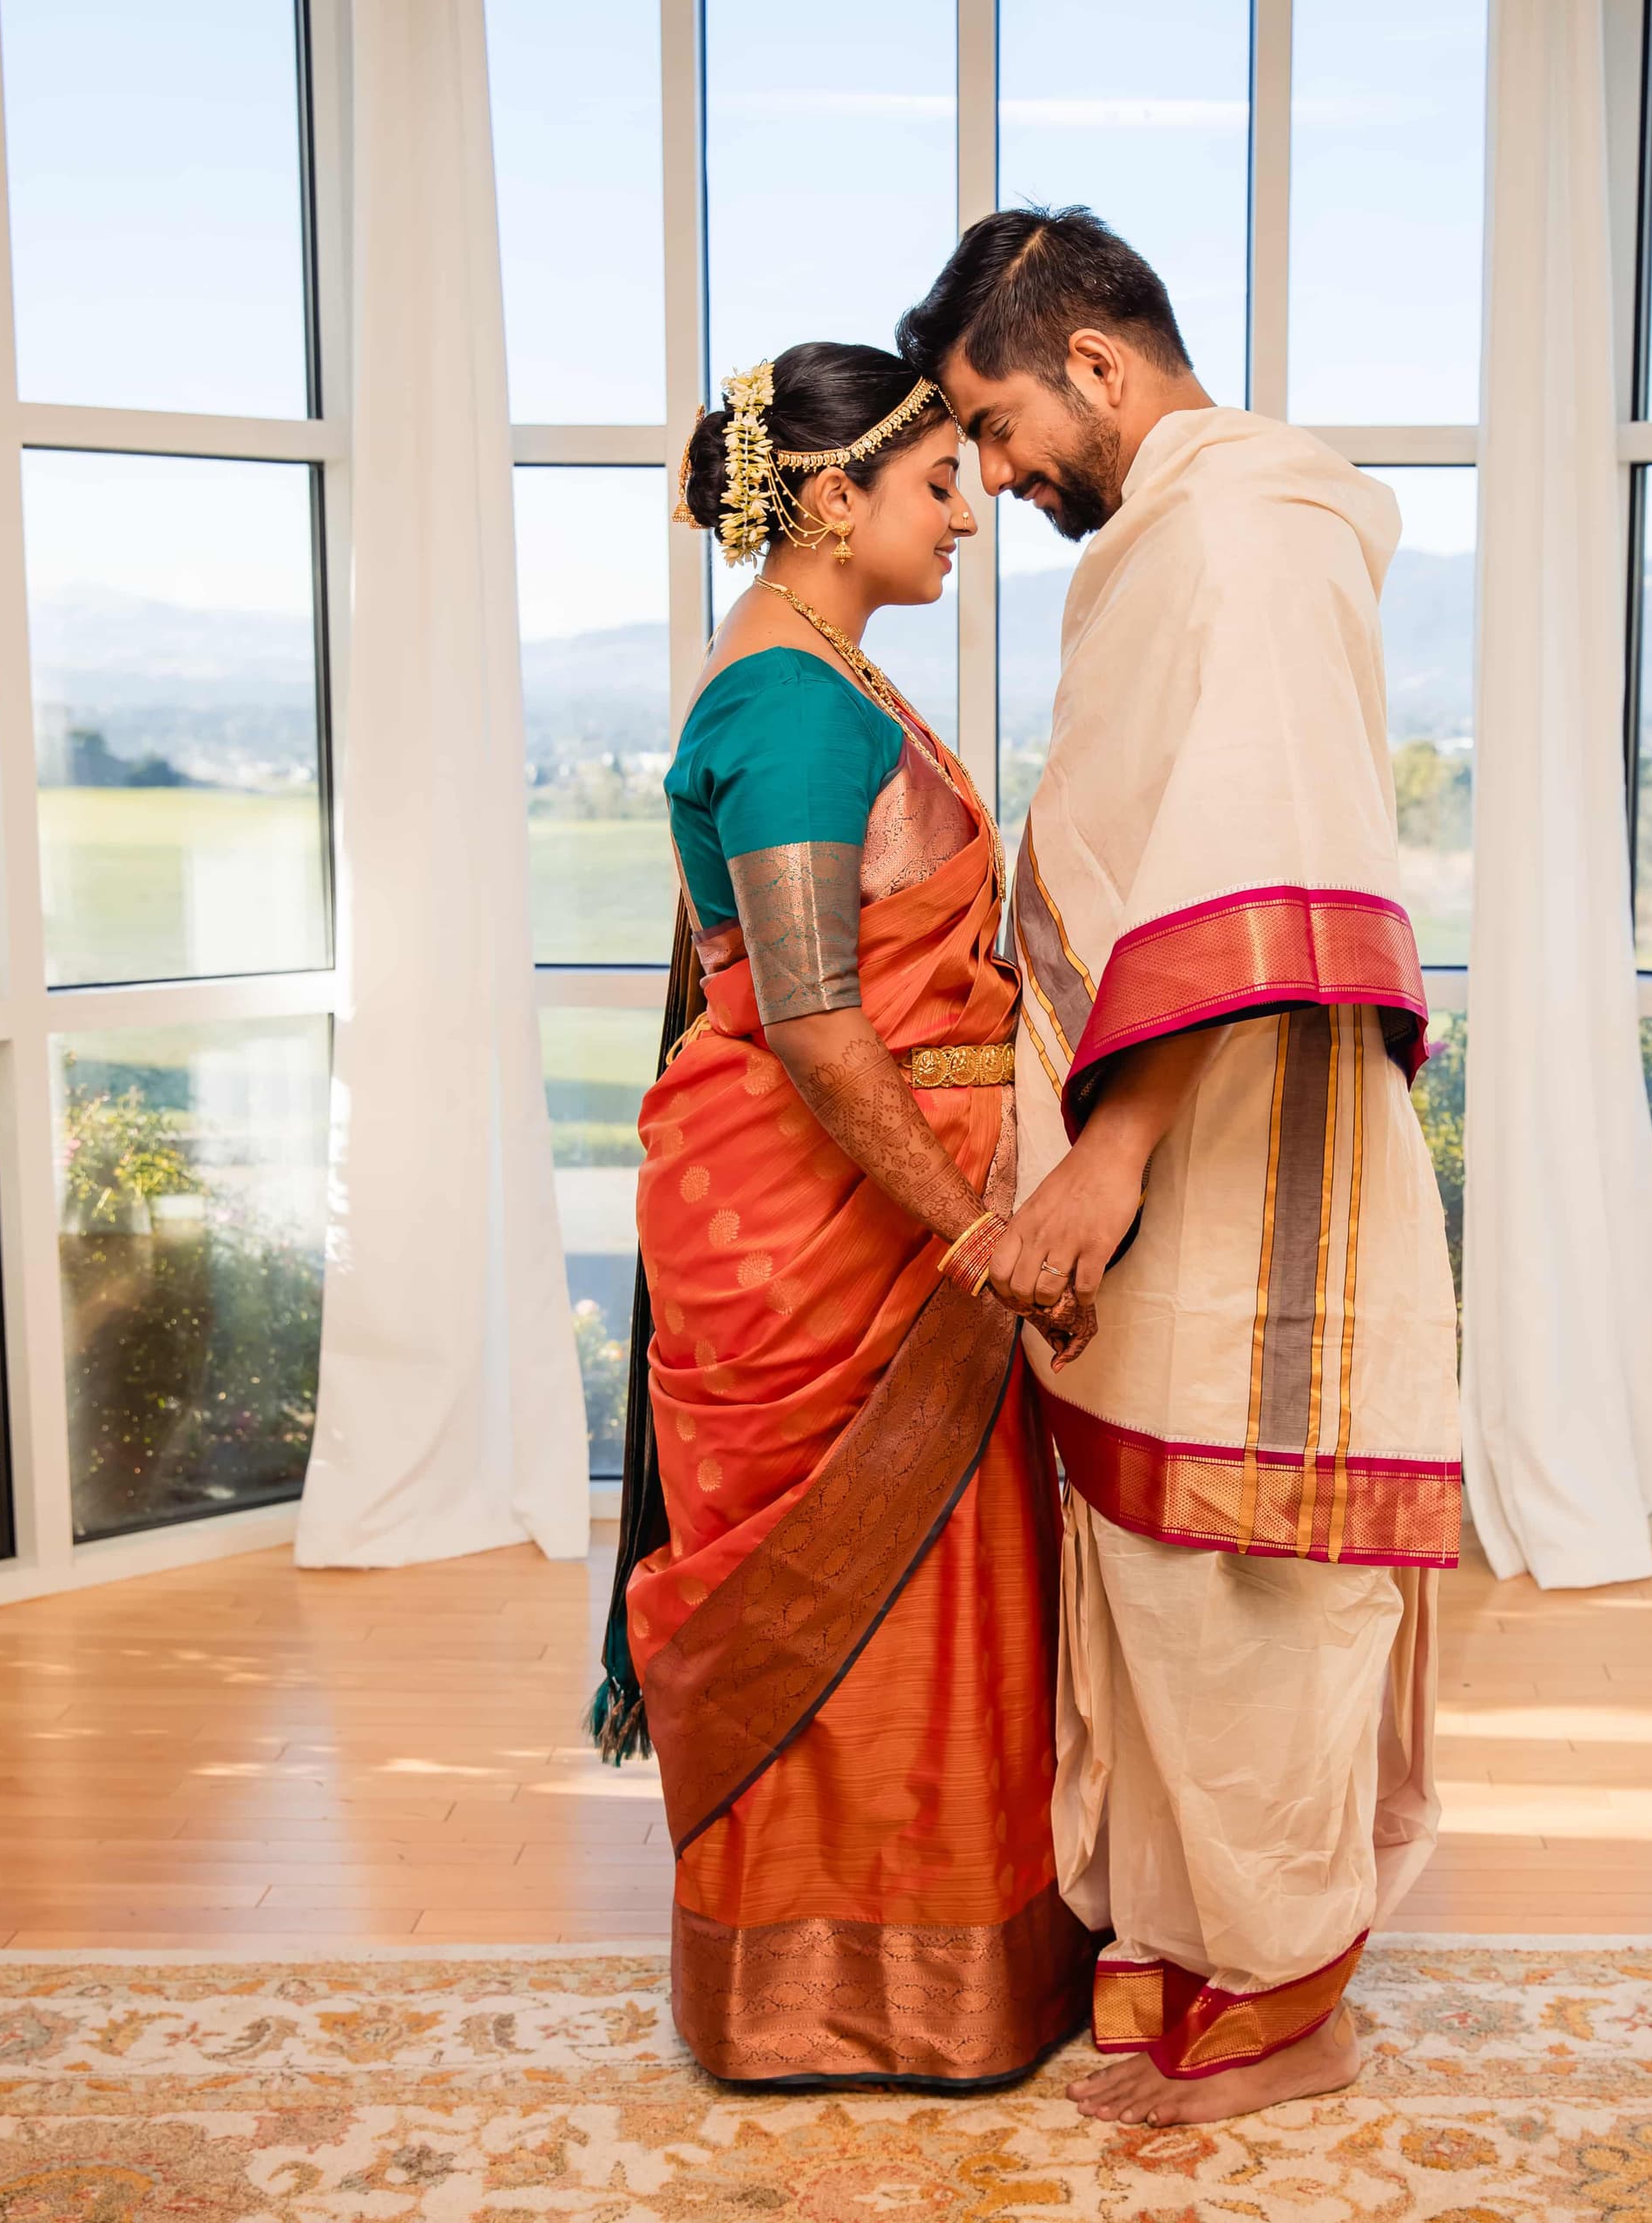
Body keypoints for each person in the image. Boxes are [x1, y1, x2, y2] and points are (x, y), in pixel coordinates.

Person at [897, 210, 1460, 2128]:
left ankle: (1291, 1996)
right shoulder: (1183, 541)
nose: (988, 476)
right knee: (1149, 1553)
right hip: (1162, 1142)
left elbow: (1259, 852)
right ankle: (1179, 1941)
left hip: (1229, 1150)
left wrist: (1108, 1156)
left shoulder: (1245, 531)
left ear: (1100, 367)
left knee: (1248, 1571)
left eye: (992, 423)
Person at [588, 341, 1098, 2088]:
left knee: (946, 1599)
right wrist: (977, 1236)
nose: (967, 512)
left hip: (876, 1211)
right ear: (831, 498)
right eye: (938, 481)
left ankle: (933, 1971)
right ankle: (838, 1992)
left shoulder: (824, 671)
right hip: (834, 1229)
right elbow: (811, 1015)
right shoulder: (791, 700)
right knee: (864, 1599)